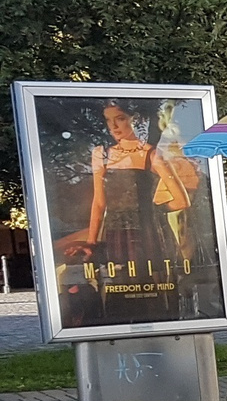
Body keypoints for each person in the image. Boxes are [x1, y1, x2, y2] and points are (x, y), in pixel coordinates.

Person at [63, 101, 192, 326]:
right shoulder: (101, 154)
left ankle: (159, 330)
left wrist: (151, 211)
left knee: (149, 284)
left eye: (120, 118)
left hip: (148, 234)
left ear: (135, 119)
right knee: (118, 286)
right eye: (108, 120)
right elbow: (99, 202)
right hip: (116, 236)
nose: (113, 126)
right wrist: (91, 242)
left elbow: (181, 200)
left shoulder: (151, 155)